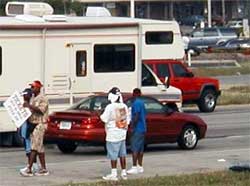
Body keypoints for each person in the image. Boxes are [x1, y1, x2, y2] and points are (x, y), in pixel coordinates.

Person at [100, 87, 130, 181]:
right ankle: (124, 172)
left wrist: (100, 114)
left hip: (113, 134)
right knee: (122, 154)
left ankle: (114, 174)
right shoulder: (124, 106)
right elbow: (128, 120)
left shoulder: (110, 107)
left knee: (113, 155)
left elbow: (104, 118)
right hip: (122, 133)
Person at [20, 80, 49, 177]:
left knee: (34, 147)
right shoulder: (32, 98)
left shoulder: (43, 98)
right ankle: (44, 169)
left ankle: (29, 169)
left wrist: (29, 105)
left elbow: (41, 110)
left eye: (33, 87)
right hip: (33, 124)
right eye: (31, 87)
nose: (32, 89)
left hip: (40, 124)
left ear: (38, 88)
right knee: (39, 147)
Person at [127, 88, 147, 174]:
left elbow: (136, 115)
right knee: (140, 149)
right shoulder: (142, 103)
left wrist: (132, 127)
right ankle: (140, 166)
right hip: (143, 128)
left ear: (134, 94)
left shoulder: (136, 103)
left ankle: (134, 166)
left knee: (135, 148)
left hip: (137, 128)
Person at [19, 88, 38, 173]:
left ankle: (33, 166)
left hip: (29, 129)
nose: (23, 96)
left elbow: (33, 117)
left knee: (30, 149)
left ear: (29, 96)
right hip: (24, 128)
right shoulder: (24, 104)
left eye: (25, 95)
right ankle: (31, 165)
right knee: (27, 149)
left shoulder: (31, 104)